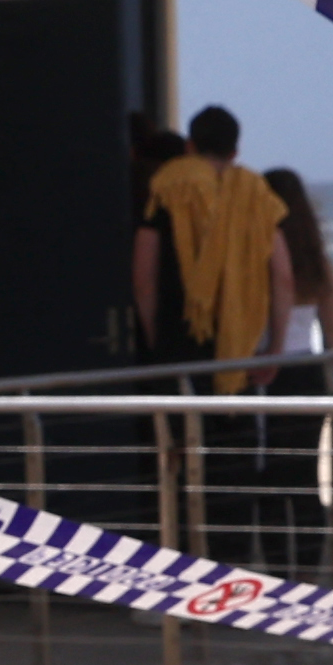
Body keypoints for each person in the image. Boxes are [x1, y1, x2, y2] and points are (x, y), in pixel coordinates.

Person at [129, 104, 286, 549]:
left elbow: (144, 276)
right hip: (237, 352)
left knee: (173, 464)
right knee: (231, 465)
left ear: (191, 145)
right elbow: (284, 277)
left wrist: (157, 336)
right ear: (236, 149)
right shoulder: (257, 195)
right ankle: (229, 570)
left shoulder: (168, 187)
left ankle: (178, 575)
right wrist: (271, 347)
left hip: (179, 349)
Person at [243, 165, 333, 567]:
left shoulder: (260, 250)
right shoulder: (317, 258)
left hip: (268, 366)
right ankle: (307, 567)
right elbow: (331, 325)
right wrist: (331, 378)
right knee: (304, 477)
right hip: (309, 368)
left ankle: (278, 568)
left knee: (269, 478)